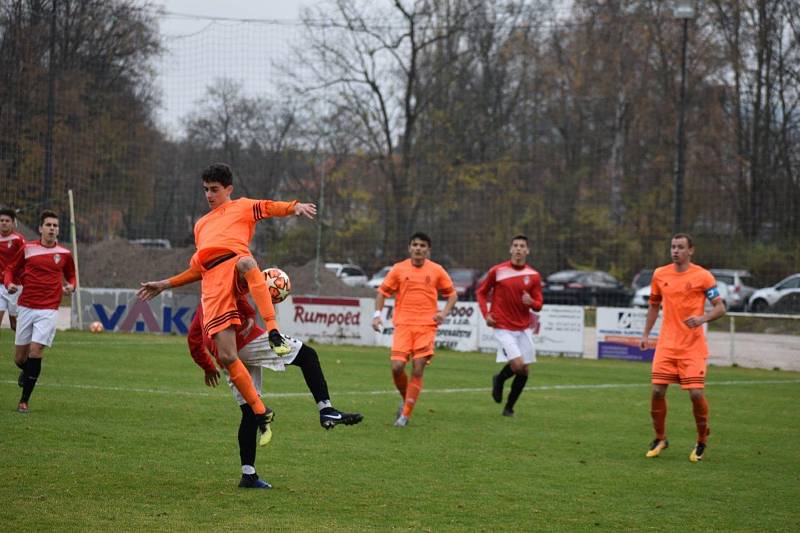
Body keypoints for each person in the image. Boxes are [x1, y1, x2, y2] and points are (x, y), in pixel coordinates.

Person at [138, 162, 317, 445]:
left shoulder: (243, 206)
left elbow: (269, 206)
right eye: (206, 190)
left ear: (228, 189)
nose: (209, 195)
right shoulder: (201, 225)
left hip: (236, 268)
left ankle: (272, 329)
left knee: (247, 261)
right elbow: (200, 269)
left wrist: (293, 207)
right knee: (227, 356)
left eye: (214, 190)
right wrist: (164, 284)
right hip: (214, 287)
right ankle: (262, 411)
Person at [188, 293, 363, 488]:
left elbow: (193, 338)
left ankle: (248, 475)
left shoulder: (205, 302)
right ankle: (326, 410)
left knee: (249, 412)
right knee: (307, 356)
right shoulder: (224, 280)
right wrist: (252, 312)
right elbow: (241, 299)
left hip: (226, 357)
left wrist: (208, 367)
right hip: (246, 341)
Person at [640, 233, 726, 462]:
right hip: (667, 345)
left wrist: (702, 319)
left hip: (692, 346)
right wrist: (646, 334)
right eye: (672, 247)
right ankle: (660, 438)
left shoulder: (703, 276)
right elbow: (653, 306)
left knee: (696, 394)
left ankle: (701, 441)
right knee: (657, 391)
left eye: (680, 247)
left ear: (691, 250)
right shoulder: (660, 274)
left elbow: (720, 308)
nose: (675, 251)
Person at [371, 232, 457, 427]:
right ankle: (406, 398)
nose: (418, 248)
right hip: (403, 325)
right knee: (397, 367)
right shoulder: (399, 269)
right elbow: (382, 292)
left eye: (423, 245)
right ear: (410, 248)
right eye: (415, 245)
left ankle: (405, 415)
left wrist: (443, 313)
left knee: (418, 367)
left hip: (426, 326)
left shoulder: (436, 270)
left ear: (428, 250)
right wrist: (376, 316)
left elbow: (452, 294)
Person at [4, 210, 75, 413]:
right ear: (40, 228)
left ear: (58, 230)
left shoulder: (64, 254)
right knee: (19, 358)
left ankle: (24, 401)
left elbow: (72, 276)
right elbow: (10, 269)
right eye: (48, 225)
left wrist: (71, 286)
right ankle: (27, 373)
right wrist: (9, 283)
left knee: (36, 351)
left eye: (55, 225)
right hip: (26, 307)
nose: (52, 228)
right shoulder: (27, 249)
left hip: (49, 309)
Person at [476, 235, 543, 417]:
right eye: (515, 245)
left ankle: (509, 408)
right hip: (502, 325)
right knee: (519, 364)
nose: (519, 249)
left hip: (522, 328)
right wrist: (486, 314)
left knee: (525, 370)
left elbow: (539, 304)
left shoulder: (533, 276)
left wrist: (531, 302)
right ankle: (499, 380)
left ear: (527, 251)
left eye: (522, 246)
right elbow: (481, 293)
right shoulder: (497, 271)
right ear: (510, 249)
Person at [0, 208, 25, 349]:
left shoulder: (18, 240)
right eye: (1, 220)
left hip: (15, 286)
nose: (4, 223)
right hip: (0, 285)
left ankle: (25, 347)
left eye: (7, 221)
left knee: (15, 324)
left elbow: (26, 260)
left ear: (13, 223)